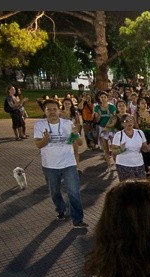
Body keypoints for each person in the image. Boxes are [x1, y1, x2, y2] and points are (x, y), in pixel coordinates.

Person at [33, 99, 87, 228]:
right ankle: (60, 209)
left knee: (73, 192)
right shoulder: (39, 125)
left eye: (54, 109)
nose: (52, 112)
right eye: (49, 110)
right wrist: (45, 139)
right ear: (45, 111)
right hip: (50, 165)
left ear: (59, 110)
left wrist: (75, 135)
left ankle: (77, 219)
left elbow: (79, 143)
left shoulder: (67, 123)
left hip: (68, 163)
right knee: (54, 192)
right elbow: (38, 145)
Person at [110, 113, 150, 182]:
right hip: (123, 166)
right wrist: (121, 149)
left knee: (140, 186)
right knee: (127, 187)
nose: (129, 122)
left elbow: (144, 148)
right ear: (122, 124)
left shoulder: (140, 133)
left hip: (139, 165)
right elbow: (114, 151)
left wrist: (148, 149)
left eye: (130, 120)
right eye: (126, 121)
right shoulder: (118, 135)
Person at [93, 91, 117, 171]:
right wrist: (99, 116)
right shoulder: (97, 107)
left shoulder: (112, 106)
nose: (103, 99)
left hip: (111, 128)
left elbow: (114, 118)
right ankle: (109, 165)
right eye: (101, 97)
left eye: (105, 97)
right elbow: (97, 120)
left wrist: (109, 126)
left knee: (114, 147)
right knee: (105, 148)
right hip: (102, 129)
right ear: (99, 98)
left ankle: (116, 163)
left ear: (107, 98)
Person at [60, 97, 85, 170]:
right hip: (64, 134)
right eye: (65, 103)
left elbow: (78, 123)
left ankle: (76, 167)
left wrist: (76, 132)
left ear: (71, 105)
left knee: (75, 151)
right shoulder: (60, 114)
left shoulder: (75, 113)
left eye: (69, 104)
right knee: (65, 151)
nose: (67, 105)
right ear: (63, 104)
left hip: (73, 133)